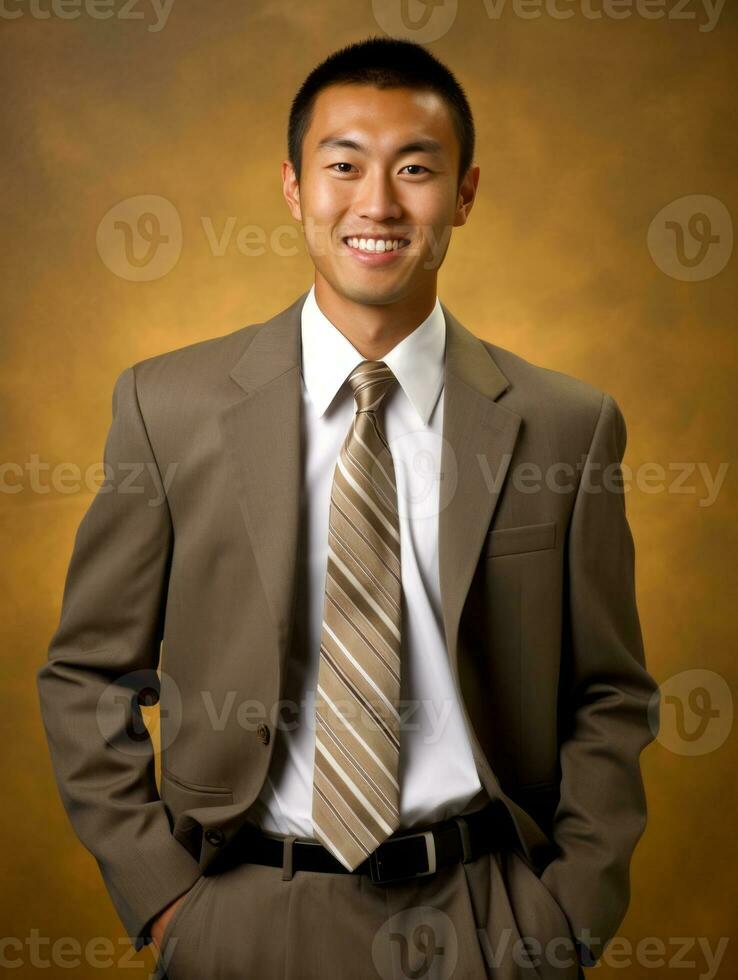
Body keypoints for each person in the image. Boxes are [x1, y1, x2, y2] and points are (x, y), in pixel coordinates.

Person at [37, 35, 660, 980]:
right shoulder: (167, 408)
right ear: (294, 187)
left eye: (415, 168)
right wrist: (165, 899)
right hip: (242, 916)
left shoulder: (566, 426)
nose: (377, 203)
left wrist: (567, 913)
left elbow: (610, 695)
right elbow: (88, 675)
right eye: (343, 165)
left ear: (465, 194)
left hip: (487, 917)